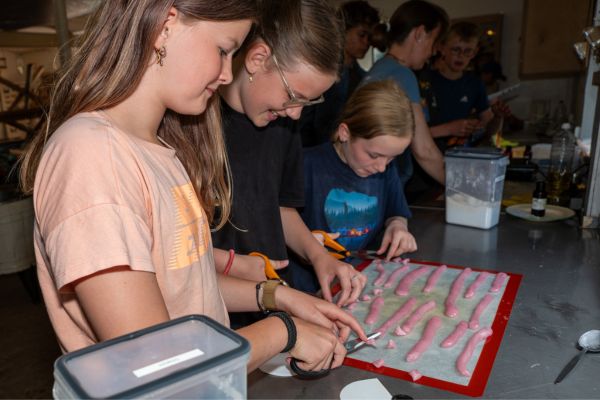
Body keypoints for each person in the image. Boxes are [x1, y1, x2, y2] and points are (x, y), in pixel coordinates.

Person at [19, 0, 366, 373]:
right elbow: (155, 360)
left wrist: (276, 296)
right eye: (223, 50)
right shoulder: (90, 154)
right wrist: (285, 331)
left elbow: (186, 289)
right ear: (165, 25)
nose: (226, 74)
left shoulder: (160, 149)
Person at [212, 0, 367, 308]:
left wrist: (318, 256)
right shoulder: (200, 123)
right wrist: (233, 266)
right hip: (221, 305)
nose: (296, 114)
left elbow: (281, 208)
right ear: (258, 59)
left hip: (276, 297)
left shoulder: (282, 122)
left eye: (308, 103)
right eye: (293, 96)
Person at [294, 80, 417, 293]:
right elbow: (281, 229)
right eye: (374, 155)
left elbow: (396, 212)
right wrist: (305, 245)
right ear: (345, 133)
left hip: (361, 280)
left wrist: (398, 226)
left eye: (391, 158)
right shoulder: (305, 167)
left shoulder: (386, 168)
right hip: (308, 289)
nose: (381, 167)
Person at [361, 0, 448, 189]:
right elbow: (424, 150)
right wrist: (465, 191)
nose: (433, 52)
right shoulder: (402, 74)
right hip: (380, 185)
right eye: (434, 42)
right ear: (419, 33)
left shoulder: (381, 68)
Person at [298, 0, 380, 147]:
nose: (367, 42)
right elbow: (305, 121)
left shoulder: (363, 77)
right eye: (361, 35)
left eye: (370, 37)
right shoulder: (320, 70)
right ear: (343, 30)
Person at [421, 22, 511, 151]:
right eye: (455, 49)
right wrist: (450, 128)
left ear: (475, 52)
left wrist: (497, 116)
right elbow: (410, 134)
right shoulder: (424, 81)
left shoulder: (475, 84)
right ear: (442, 47)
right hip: (426, 158)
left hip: (460, 158)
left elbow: (490, 134)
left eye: (467, 51)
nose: (461, 56)